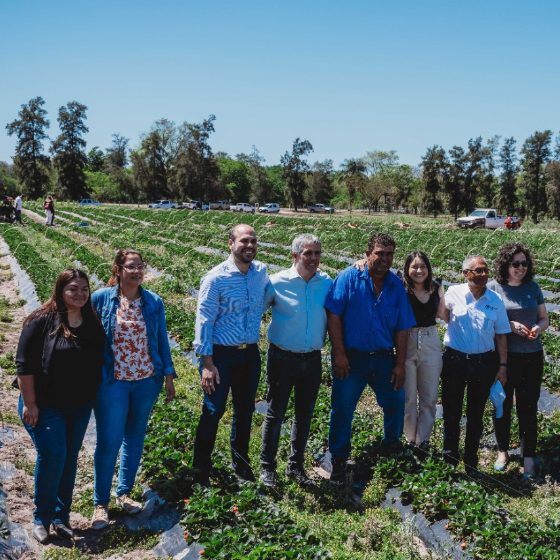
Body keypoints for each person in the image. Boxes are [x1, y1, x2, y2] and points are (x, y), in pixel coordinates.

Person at [16, 269, 105, 543]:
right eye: (73, 289)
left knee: (69, 457)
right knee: (53, 453)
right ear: (60, 291)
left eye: (84, 289)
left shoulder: (91, 321)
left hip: (78, 405)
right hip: (43, 403)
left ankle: (60, 517)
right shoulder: (41, 321)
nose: (80, 294)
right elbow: (24, 365)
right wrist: (30, 404)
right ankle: (41, 517)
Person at [90, 249, 176, 530]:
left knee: (135, 437)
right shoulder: (102, 298)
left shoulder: (153, 302)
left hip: (145, 381)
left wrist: (168, 375)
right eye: (131, 266)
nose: (137, 271)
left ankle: (124, 492)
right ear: (118, 268)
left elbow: (162, 339)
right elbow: (83, 334)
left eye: (141, 266)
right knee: (109, 441)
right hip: (112, 382)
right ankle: (100, 503)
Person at [325, 232, 416, 483]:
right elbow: (334, 316)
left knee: (395, 402)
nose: (385, 259)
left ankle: (390, 447)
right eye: (379, 253)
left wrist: (400, 364)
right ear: (367, 254)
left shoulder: (396, 285)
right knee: (342, 409)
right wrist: (339, 354)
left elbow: (402, 327)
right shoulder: (348, 278)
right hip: (352, 359)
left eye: (389, 254)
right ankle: (339, 459)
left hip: (384, 359)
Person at [192, 224, 269, 486]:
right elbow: (204, 320)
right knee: (213, 410)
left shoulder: (261, 272)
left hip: (249, 355)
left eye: (253, 242)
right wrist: (207, 363)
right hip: (221, 355)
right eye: (244, 241)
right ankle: (201, 469)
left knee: (245, 410)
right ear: (231, 244)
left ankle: (241, 464)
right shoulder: (216, 278)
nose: (249, 246)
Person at [260, 234, 332, 488]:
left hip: (312, 359)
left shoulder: (326, 283)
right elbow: (258, 309)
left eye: (317, 253)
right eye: (308, 253)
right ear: (295, 255)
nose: (313, 259)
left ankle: (295, 466)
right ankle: (267, 467)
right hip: (282, 358)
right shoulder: (277, 282)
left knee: (304, 414)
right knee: (275, 413)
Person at [441, 255, 510, 473]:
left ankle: (470, 461)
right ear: (466, 273)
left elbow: (501, 336)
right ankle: (450, 459)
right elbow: (439, 316)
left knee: (475, 415)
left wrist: (502, 367)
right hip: (455, 361)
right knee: (451, 412)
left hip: (483, 363)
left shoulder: (495, 300)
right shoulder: (453, 293)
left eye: (485, 270)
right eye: (477, 270)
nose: (483, 274)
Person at [488, 243, 549, 478]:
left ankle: (528, 456)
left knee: (528, 406)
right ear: (506, 265)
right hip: (504, 358)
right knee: (501, 404)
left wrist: (537, 328)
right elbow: (489, 319)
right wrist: (509, 325)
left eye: (524, 263)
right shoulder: (495, 288)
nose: (520, 268)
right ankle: (502, 450)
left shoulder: (533, 288)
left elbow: (544, 318)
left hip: (532, 357)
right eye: (515, 264)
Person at [402, 252, 446, 449]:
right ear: (407, 269)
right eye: (414, 267)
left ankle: (423, 439)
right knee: (408, 396)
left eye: (423, 267)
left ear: (428, 269)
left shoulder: (437, 287)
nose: (419, 271)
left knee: (429, 396)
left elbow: (443, 313)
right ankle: (410, 438)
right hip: (407, 340)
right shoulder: (400, 287)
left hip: (430, 340)